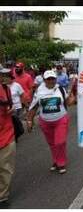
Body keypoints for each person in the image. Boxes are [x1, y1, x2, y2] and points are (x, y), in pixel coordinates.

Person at [26, 70, 76, 174]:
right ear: (44, 80)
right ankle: (55, 161)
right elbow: (34, 107)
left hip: (61, 120)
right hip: (45, 122)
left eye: (52, 78)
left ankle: (61, 163)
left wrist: (73, 99)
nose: (51, 81)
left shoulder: (60, 89)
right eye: (48, 79)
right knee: (52, 144)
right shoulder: (39, 92)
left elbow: (68, 103)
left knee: (60, 142)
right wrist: (29, 120)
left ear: (55, 79)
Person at [0, 68, 16, 206]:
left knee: (5, 168)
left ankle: (2, 196)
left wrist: (12, 109)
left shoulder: (6, 89)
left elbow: (11, 107)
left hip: (5, 135)